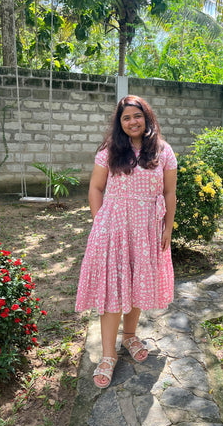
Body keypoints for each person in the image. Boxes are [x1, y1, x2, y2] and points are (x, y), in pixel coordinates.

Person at [75, 95, 177, 388]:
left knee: (137, 284)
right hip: (114, 228)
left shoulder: (163, 151)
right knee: (112, 289)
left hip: (147, 229)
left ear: (147, 117)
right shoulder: (110, 150)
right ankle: (108, 354)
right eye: (126, 118)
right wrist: (100, 222)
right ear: (120, 123)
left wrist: (167, 227)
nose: (133, 121)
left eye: (137, 116)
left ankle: (130, 336)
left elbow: (169, 193)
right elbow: (96, 187)